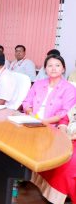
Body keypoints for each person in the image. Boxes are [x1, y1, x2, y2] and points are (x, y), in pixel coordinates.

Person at [22, 54, 76, 203]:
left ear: (63, 68)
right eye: (50, 65)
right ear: (45, 68)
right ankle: (15, 175)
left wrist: (43, 121)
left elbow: (64, 113)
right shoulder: (38, 83)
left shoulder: (69, 88)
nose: (53, 68)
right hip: (30, 119)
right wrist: (30, 112)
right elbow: (26, 101)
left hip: (50, 125)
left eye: (57, 65)